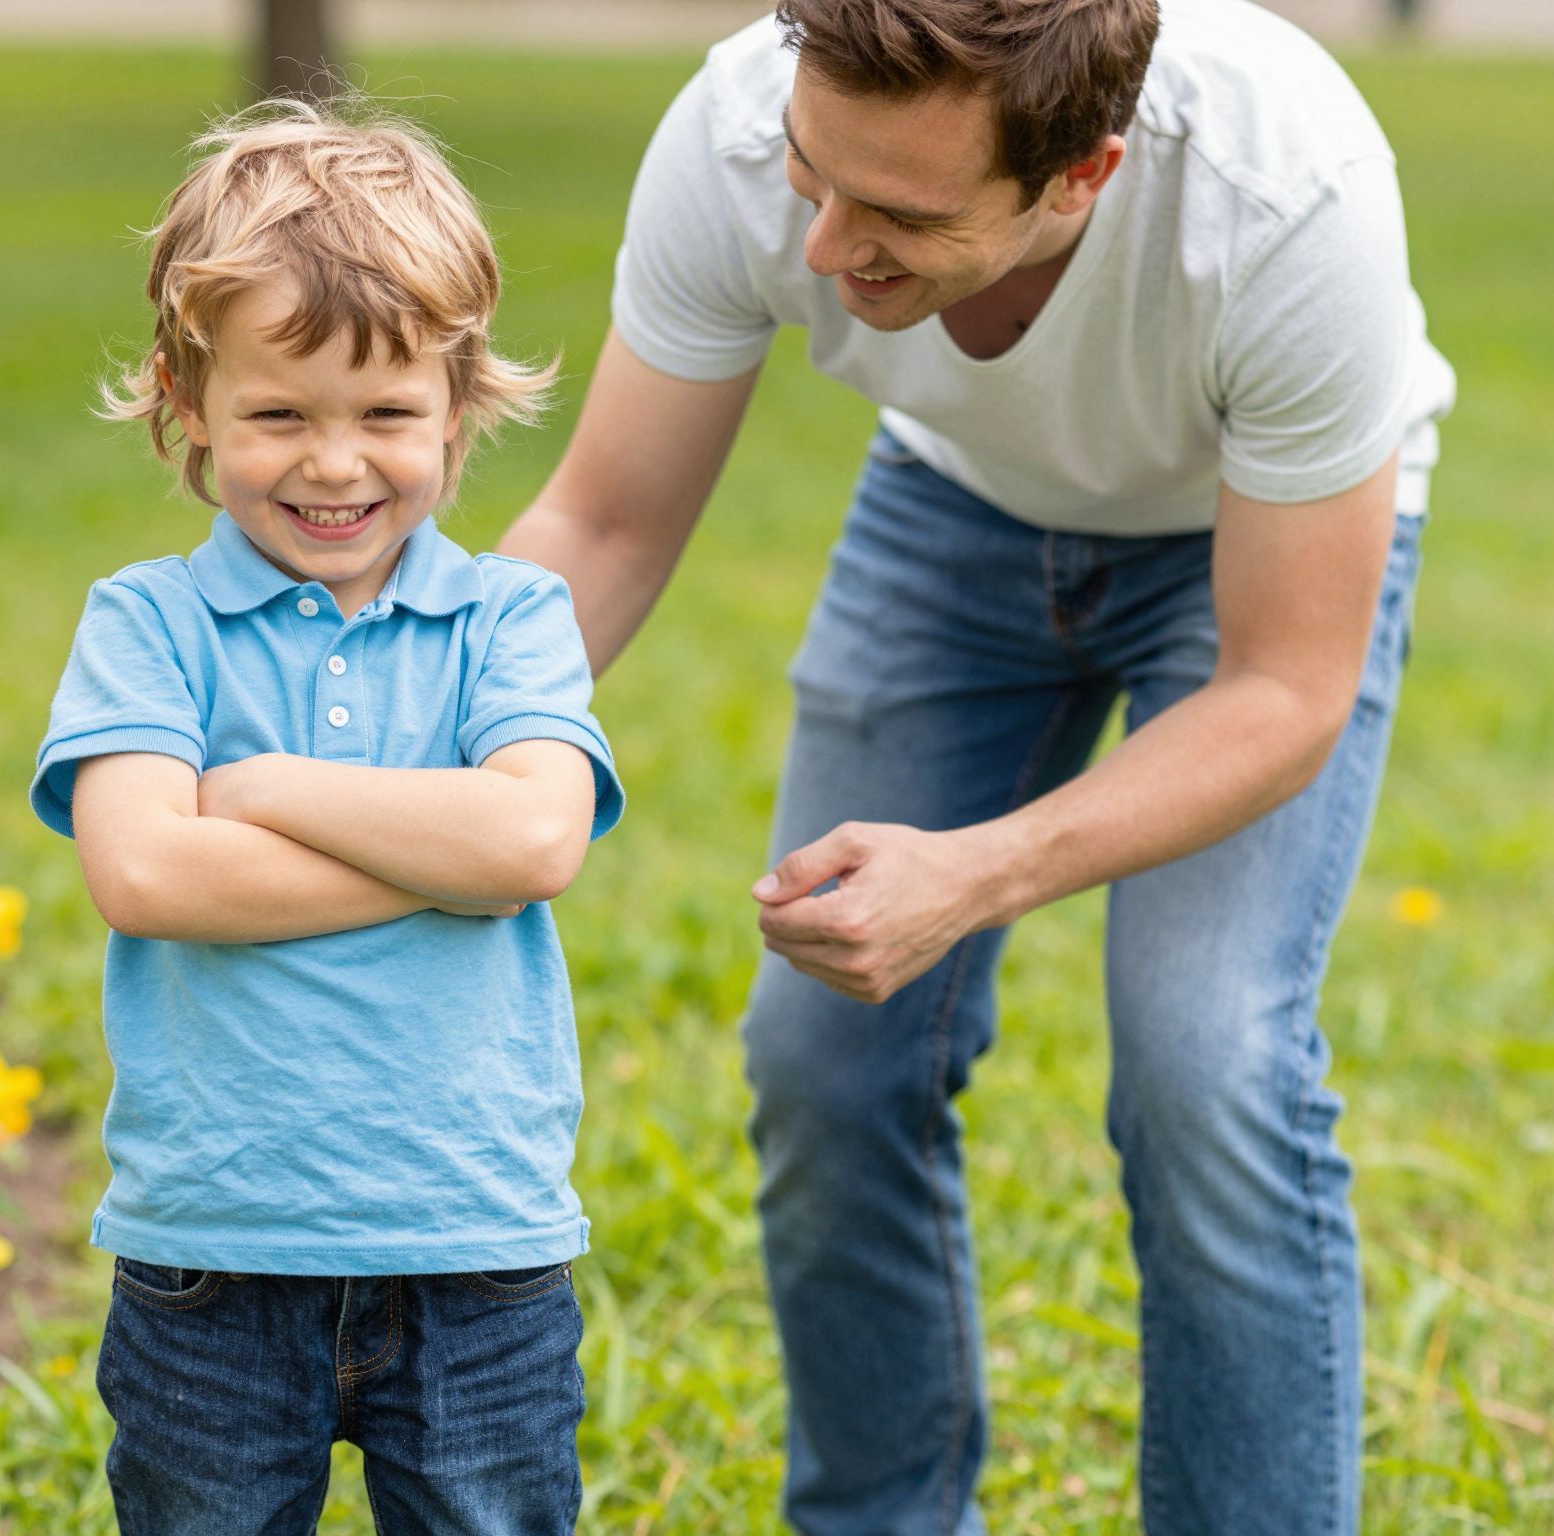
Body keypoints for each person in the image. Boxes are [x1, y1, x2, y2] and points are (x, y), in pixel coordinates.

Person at [494, 1, 1455, 1532]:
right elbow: (601, 528)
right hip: (955, 516)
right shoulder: (743, 134)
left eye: (898, 216)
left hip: (1248, 555)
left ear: (1082, 176)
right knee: (821, 1058)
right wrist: (401, 742)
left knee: (1210, 1067)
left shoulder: (1289, 190)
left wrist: (980, 869)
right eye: (818, 178)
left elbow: (1282, 691)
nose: (824, 246)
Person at [29, 101, 622, 1535]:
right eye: (280, 414)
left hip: (476, 1248)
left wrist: (276, 790)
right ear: (187, 399)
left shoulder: (513, 619)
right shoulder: (148, 624)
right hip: (214, 1258)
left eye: (388, 415)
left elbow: (536, 845)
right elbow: (148, 871)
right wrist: (445, 853)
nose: (337, 465)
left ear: (460, 404)